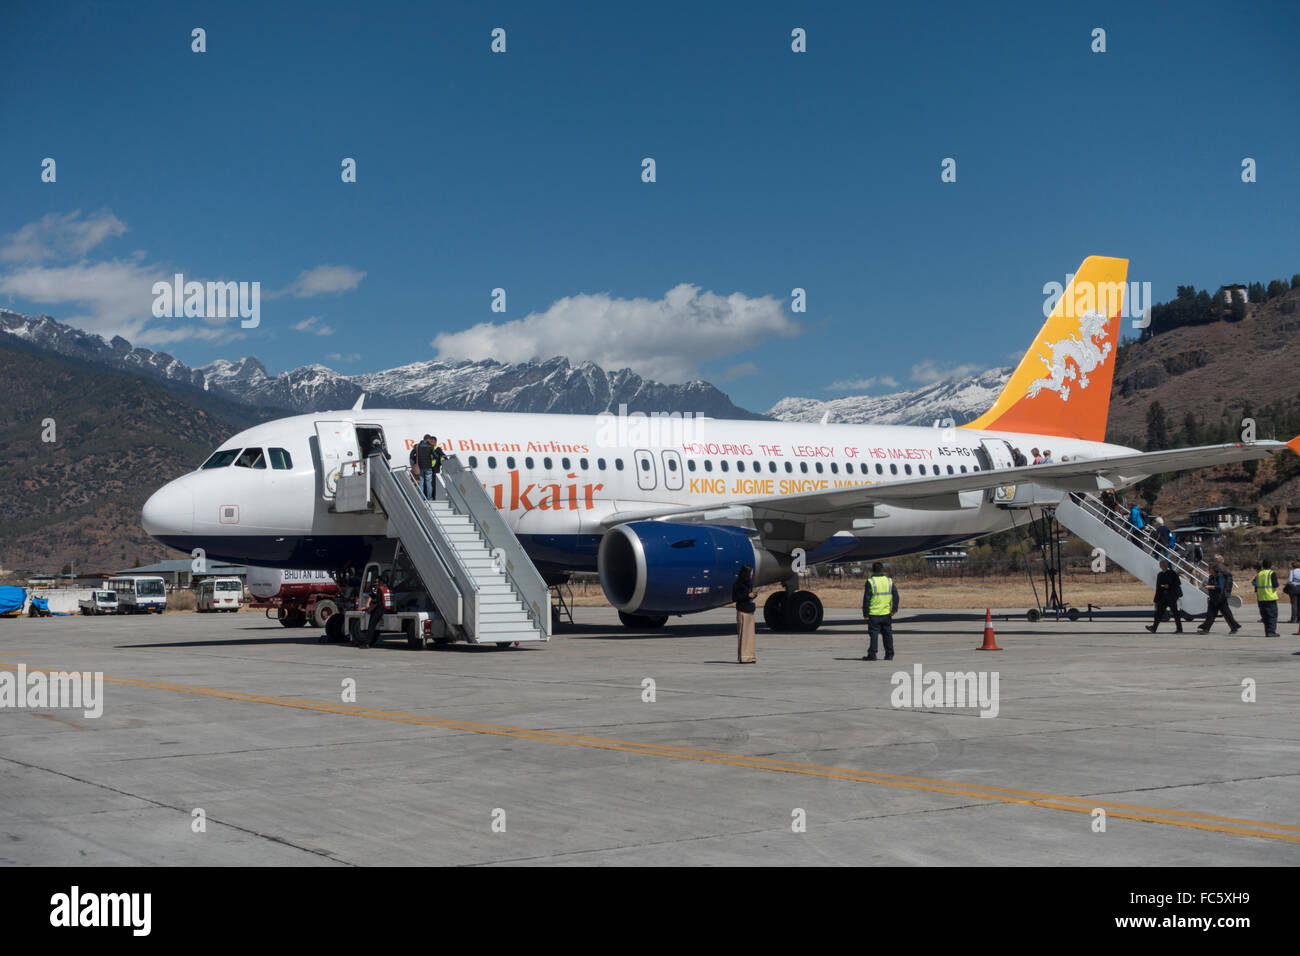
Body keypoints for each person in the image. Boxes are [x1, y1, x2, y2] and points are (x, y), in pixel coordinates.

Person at [861, 562, 900, 661]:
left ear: (873, 570)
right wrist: (894, 609)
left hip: (874, 614)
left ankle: (872, 654)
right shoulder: (889, 581)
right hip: (886, 614)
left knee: (874, 635)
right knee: (887, 634)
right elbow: (896, 596)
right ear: (882, 569)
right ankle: (889, 654)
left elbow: (867, 599)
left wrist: (865, 613)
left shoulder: (870, 582)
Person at [1197, 562, 1240, 635]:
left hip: (1220, 598)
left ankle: (1234, 627)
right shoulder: (1212, 576)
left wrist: (1210, 587)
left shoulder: (1219, 576)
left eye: (1209, 569)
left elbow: (1220, 587)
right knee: (1212, 614)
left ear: (1213, 569)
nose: (1208, 570)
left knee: (1226, 614)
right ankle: (1206, 628)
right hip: (1214, 598)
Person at [356, 572, 393, 648]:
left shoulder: (380, 589)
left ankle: (367, 643)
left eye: (378, 582)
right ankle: (368, 642)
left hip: (380, 609)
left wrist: (369, 609)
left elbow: (377, 602)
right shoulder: (388, 588)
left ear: (381, 581)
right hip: (387, 609)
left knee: (371, 626)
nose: (377, 583)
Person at [1146, 559, 1183, 633]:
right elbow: (1158, 587)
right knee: (1158, 613)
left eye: (1163, 564)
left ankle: (1179, 629)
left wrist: (1169, 586)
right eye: (1161, 564)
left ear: (1166, 565)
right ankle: (1154, 628)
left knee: (1175, 613)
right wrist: (1156, 599)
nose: (1162, 566)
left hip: (1171, 596)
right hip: (1163, 597)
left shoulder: (1172, 573)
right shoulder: (1160, 574)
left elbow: (1178, 583)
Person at [732, 565, 757, 664]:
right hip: (742, 611)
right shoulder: (738, 584)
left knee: (750, 636)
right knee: (744, 636)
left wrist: (753, 595)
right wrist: (747, 595)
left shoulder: (748, 584)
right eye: (750, 572)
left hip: (750, 611)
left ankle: (750, 656)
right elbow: (735, 597)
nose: (752, 574)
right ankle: (744, 657)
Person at [412, 434, 446, 500]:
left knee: (421, 482)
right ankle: (429, 497)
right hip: (428, 467)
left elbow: (414, 454)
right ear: (428, 439)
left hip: (420, 467)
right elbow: (435, 456)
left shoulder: (418, 446)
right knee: (429, 483)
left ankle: (421, 497)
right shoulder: (430, 446)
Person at [1254, 559, 1280, 637]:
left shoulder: (1259, 574)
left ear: (1263, 565)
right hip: (1270, 597)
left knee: (1265, 616)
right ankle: (1271, 631)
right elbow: (1275, 585)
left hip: (1261, 598)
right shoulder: (1271, 573)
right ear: (1270, 565)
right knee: (1272, 615)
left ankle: (1267, 631)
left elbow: (1256, 587)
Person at [1287, 559, 1300, 625]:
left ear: (1293, 566)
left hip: (1294, 588)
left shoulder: (1292, 571)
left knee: (1294, 604)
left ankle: (1293, 618)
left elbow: (1290, 581)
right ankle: (1299, 618)